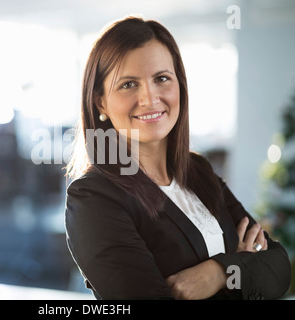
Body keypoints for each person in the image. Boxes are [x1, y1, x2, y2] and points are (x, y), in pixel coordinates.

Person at [64, 16, 291, 300]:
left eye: (161, 79)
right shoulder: (94, 198)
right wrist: (244, 268)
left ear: (180, 86)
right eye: (128, 84)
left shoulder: (198, 171)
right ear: (100, 102)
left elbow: (279, 267)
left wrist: (218, 273)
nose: (149, 98)